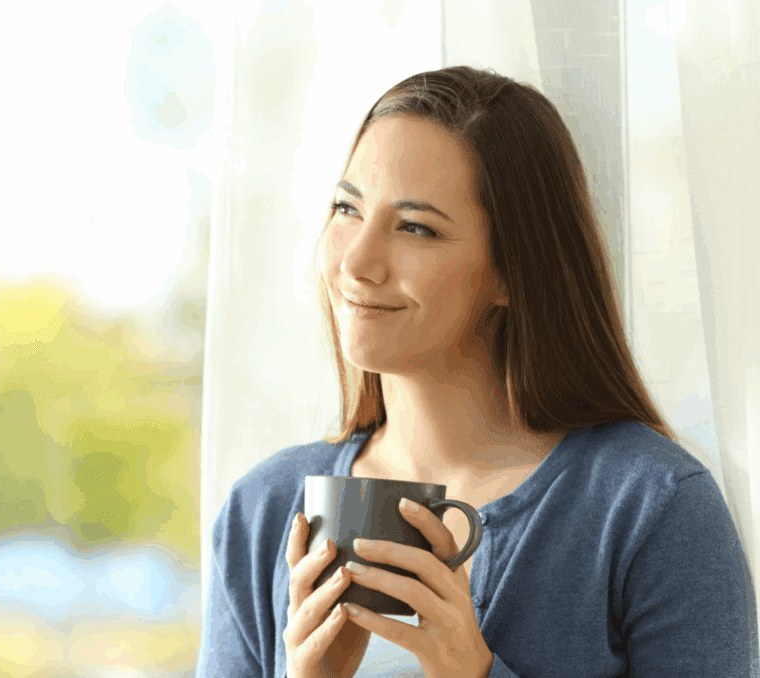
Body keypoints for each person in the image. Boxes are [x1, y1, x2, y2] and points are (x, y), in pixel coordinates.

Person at [195, 66, 759, 677]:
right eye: (346, 208)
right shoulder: (263, 511)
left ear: (513, 272)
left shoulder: (651, 508)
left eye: (416, 228)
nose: (357, 261)